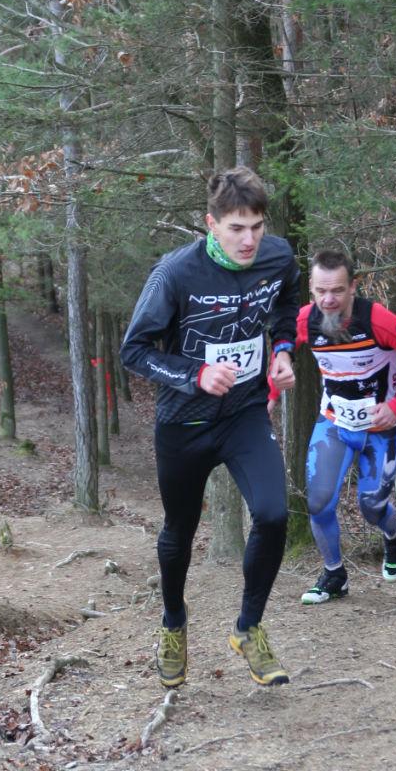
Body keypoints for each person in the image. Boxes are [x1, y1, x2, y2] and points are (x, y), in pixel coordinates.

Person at [120, 166, 300, 687]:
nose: (249, 240)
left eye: (257, 227)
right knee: (180, 529)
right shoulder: (176, 273)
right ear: (211, 224)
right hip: (185, 422)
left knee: (272, 514)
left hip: (244, 412)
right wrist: (194, 374)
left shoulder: (279, 257)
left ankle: (248, 628)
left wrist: (283, 351)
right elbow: (134, 351)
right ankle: (173, 624)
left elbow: (287, 305)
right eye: (236, 228)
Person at [268, 249, 396, 604]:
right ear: (311, 288)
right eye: (320, 291)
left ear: (353, 286)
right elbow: (280, 349)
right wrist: (271, 393)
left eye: (337, 290)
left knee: (371, 506)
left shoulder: (377, 320)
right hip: (334, 424)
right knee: (319, 503)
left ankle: (394, 535)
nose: (328, 300)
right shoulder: (305, 319)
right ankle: (334, 575)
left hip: (380, 431)